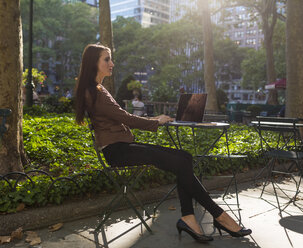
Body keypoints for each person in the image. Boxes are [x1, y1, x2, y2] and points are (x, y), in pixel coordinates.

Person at [74, 44, 252, 243]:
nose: (111, 63)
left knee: (184, 158)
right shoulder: (95, 92)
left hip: (121, 147)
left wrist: (154, 118)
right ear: (94, 63)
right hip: (117, 152)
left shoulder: (97, 89)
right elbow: (127, 118)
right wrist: (155, 122)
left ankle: (189, 217)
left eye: (110, 58)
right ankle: (219, 216)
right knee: (182, 160)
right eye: (106, 59)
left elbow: (122, 116)